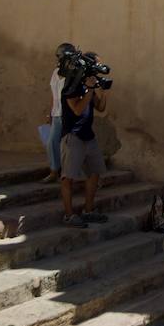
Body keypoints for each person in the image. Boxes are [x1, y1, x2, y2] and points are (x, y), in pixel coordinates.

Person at [60, 69, 109, 228]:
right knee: (68, 178)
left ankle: (88, 210)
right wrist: (89, 89)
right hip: (73, 137)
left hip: (89, 136)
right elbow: (77, 109)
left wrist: (103, 92)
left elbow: (100, 108)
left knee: (94, 173)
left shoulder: (89, 88)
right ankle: (69, 215)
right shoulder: (70, 88)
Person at [40, 42, 74, 183]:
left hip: (69, 114)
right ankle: (54, 170)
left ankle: (70, 173)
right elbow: (54, 94)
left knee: (70, 144)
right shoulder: (56, 72)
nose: (58, 59)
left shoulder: (73, 72)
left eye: (60, 56)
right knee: (52, 142)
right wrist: (50, 112)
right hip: (57, 113)